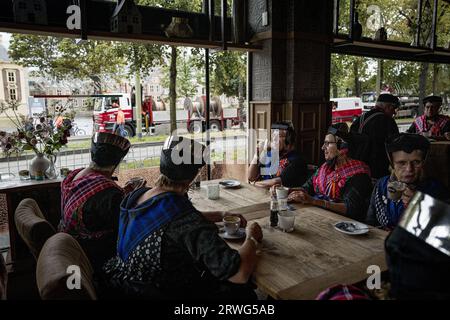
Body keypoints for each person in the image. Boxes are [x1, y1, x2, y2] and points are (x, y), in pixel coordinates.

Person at [103, 136, 263, 300]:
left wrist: (220, 215)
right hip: (158, 292)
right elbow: (239, 273)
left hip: (121, 283)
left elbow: (167, 221)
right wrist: (251, 236)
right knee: (243, 291)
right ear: (192, 176)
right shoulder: (184, 218)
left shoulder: (139, 195)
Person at [59, 132, 144, 272]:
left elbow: (95, 204)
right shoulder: (110, 193)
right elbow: (126, 227)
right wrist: (135, 196)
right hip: (92, 257)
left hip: (68, 247)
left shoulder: (75, 175)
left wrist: (123, 193)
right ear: (116, 163)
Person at [287, 127, 372, 221]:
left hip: (343, 224)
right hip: (318, 217)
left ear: (342, 147)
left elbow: (351, 208)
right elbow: (307, 188)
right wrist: (286, 190)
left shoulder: (358, 174)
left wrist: (314, 201)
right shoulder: (325, 168)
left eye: (328, 143)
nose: (323, 147)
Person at [366, 133, 449, 230]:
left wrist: (421, 206)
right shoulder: (382, 185)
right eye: (402, 163)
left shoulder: (435, 190)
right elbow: (370, 222)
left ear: (423, 162)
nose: (409, 169)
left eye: (416, 162)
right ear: (392, 164)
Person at [350, 93, 400, 179]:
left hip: (358, 167)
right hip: (379, 171)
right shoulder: (388, 121)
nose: (394, 112)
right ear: (389, 107)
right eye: (394, 109)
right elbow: (396, 145)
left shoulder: (360, 119)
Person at [248, 121, 308, 189]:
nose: (274, 139)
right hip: (262, 194)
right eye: (273, 136)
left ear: (289, 140)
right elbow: (251, 177)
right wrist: (257, 154)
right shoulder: (270, 154)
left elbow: (276, 182)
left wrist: (254, 183)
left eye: (278, 136)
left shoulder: (297, 160)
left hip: (283, 198)